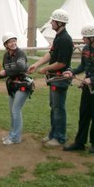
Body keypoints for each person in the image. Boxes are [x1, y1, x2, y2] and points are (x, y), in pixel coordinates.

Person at [62, 23, 94, 154]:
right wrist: (72, 72)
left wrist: (92, 79)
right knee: (84, 114)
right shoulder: (86, 49)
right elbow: (83, 67)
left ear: (92, 38)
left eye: (85, 37)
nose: (83, 39)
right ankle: (80, 142)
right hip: (87, 86)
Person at [28, 8, 74, 147]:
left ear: (60, 23)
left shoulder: (65, 39)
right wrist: (36, 65)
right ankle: (53, 134)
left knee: (58, 108)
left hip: (60, 79)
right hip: (54, 78)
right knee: (54, 107)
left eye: (53, 21)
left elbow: (62, 63)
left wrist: (46, 68)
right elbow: (51, 54)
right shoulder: (59, 37)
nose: (51, 23)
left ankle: (59, 137)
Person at [0, 32, 33, 145]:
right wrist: (0, 75)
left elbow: (21, 67)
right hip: (13, 85)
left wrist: (6, 72)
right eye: (10, 42)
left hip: (23, 84)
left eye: (14, 41)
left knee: (15, 110)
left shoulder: (20, 53)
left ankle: (15, 137)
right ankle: (12, 134)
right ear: (6, 44)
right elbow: (8, 70)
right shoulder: (6, 56)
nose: (13, 43)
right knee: (12, 111)